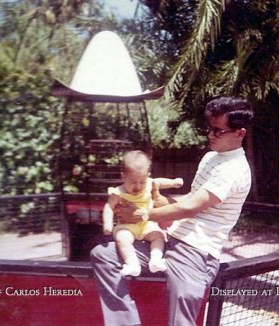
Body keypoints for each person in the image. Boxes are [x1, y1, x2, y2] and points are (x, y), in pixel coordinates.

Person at [91, 96, 254, 326]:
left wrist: (142, 214)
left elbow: (189, 208)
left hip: (196, 251)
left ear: (240, 133)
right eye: (210, 128)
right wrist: (157, 199)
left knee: (182, 316)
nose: (210, 135)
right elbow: (189, 198)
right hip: (172, 239)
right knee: (103, 254)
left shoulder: (233, 170)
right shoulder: (211, 158)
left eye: (218, 131)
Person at [102, 150, 184, 277]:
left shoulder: (149, 184)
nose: (138, 186)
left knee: (159, 235)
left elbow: (159, 182)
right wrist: (107, 224)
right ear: (123, 176)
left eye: (142, 182)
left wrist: (173, 183)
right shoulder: (117, 192)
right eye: (133, 182)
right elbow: (109, 207)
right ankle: (132, 263)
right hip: (127, 226)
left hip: (147, 224)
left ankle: (156, 259)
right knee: (122, 238)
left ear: (148, 176)